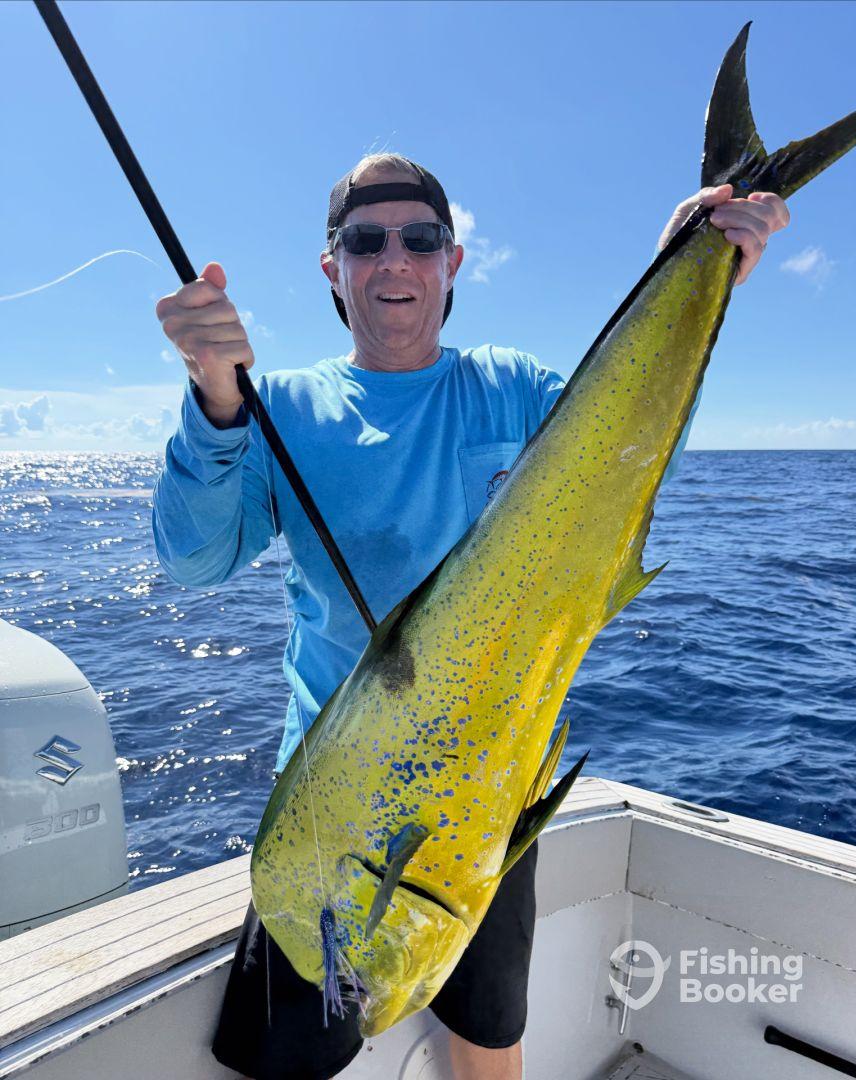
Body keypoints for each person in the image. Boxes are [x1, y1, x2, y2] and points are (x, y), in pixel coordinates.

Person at [151, 153, 789, 1080]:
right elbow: (193, 558)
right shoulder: (277, 407)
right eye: (365, 241)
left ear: (452, 262)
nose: (394, 260)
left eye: (420, 239)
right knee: (290, 1062)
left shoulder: (512, 388)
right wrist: (215, 398)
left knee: (490, 1035)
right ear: (332, 268)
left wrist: (687, 272)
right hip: (333, 821)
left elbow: (632, 453)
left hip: (491, 802)